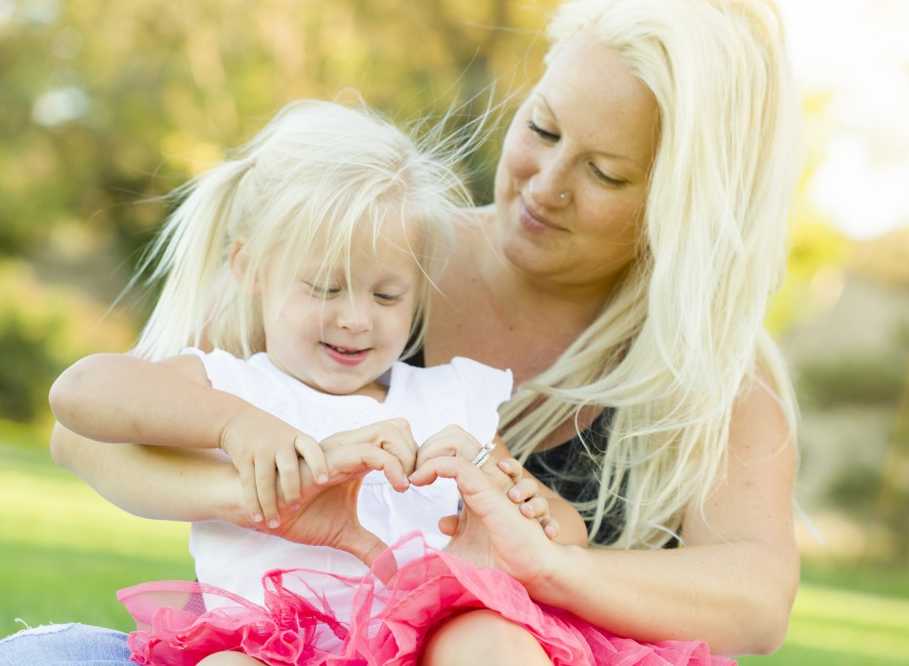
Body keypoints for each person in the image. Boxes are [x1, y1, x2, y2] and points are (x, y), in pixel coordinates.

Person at [0, 0, 801, 663]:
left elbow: (757, 606)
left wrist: (551, 561)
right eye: (545, 130)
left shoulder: (716, 375)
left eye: (605, 173)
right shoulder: (370, 251)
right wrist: (261, 494)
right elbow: (91, 431)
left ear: (685, 204)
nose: (546, 186)